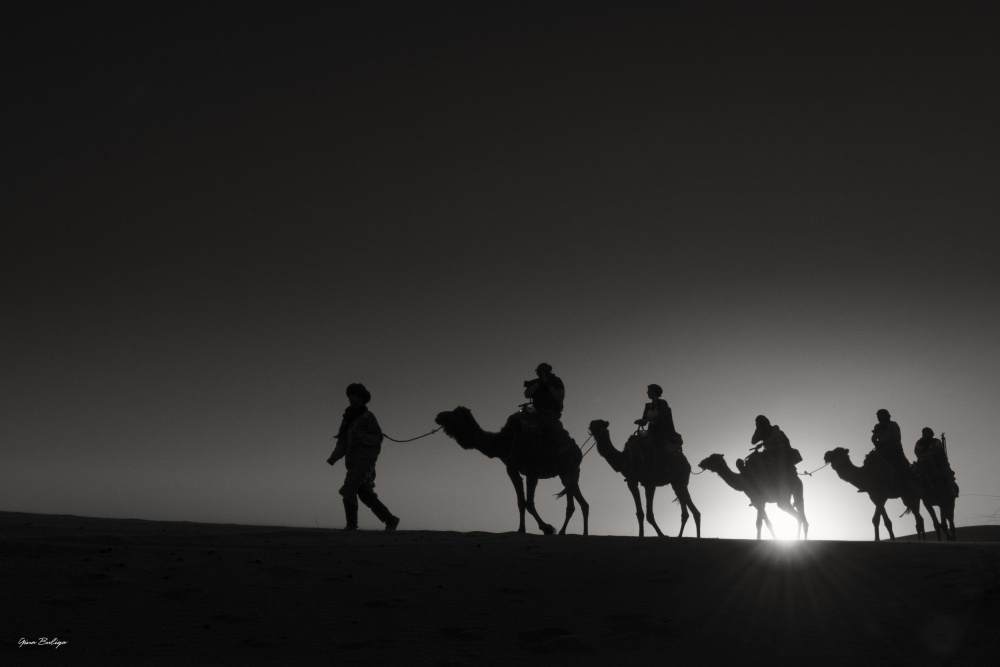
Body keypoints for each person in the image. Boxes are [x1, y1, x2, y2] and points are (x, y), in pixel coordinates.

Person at [327, 383, 400, 531]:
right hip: (352, 462)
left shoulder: (368, 416)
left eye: (353, 395)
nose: (350, 398)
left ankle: (351, 526)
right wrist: (334, 457)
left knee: (348, 489)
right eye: (349, 395)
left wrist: (360, 436)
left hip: (365, 462)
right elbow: (342, 441)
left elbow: (377, 437)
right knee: (365, 495)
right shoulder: (347, 419)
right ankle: (390, 520)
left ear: (361, 398)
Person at [522, 363, 569, 451]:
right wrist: (538, 383)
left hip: (551, 411)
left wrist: (548, 385)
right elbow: (527, 394)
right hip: (535, 410)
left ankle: (561, 444)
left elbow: (560, 397)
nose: (542, 375)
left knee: (546, 421)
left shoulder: (556, 381)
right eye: (540, 373)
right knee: (519, 418)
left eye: (544, 372)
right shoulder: (536, 382)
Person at [744, 415, 795, 485]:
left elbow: (773, 437)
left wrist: (763, 443)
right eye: (757, 423)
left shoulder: (775, 428)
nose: (758, 424)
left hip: (779, 451)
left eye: (759, 423)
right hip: (768, 452)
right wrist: (757, 429)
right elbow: (753, 441)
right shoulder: (762, 433)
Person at [913, 427, 958, 496]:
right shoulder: (919, 443)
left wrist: (931, 455)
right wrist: (923, 456)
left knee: (945, 470)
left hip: (937, 462)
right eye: (924, 433)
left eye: (927, 433)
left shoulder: (936, 441)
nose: (925, 434)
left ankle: (951, 487)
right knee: (914, 471)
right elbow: (917, 452)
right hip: (923, 462)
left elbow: (939, 450)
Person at [634, 384, 680, 450]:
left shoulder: (663, 403)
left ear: (654, 392)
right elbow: (644, 422)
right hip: (651, 431)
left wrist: (647, 420)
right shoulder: (647, 406)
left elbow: (662, 416)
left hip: (663, 431)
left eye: (649, 391)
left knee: (657, 444)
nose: (647, 392)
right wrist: (640, 421)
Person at [871, 408, 910, 477]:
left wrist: (884, 442)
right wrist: (876, 443)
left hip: (894, 449)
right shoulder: (877, 426)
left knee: (899, 464)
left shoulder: (893, 424)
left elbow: (897, 438)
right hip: (881, 449)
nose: (879, 418)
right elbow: (873, 437)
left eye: (881, 416)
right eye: (878, 416)